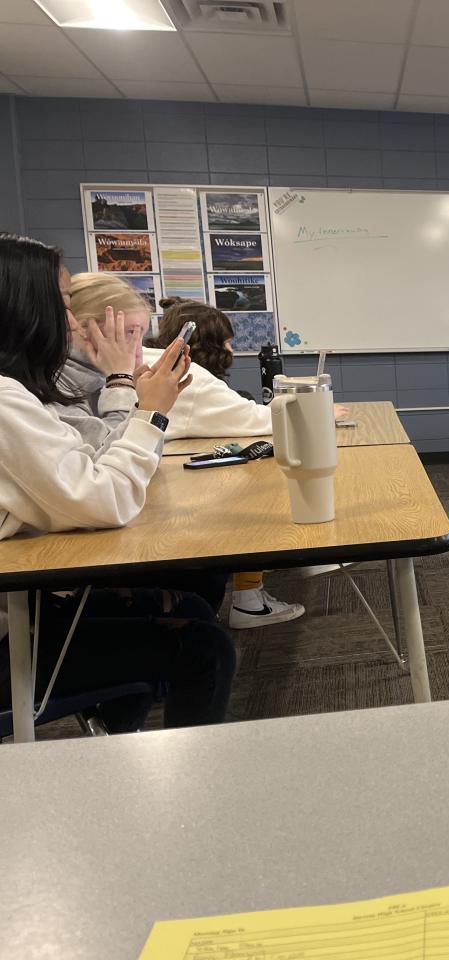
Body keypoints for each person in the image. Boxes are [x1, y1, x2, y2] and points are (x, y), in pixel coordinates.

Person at [0, 234, 235, 731]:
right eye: (64, 304)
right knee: (205, 648)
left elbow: (92, 468)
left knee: (193, 599)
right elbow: (107, 497)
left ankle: (117, 742)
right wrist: (143, 405)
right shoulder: (9, 400)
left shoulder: (26, 389)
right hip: (16, 624)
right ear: (25, 307)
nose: (68, 322)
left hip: (28, 603)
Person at [145, 297, 308, 628]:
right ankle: (249, 601)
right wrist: (317, 411)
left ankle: (251, 593)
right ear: (209, 344)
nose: (232, 350)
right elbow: (256, 419)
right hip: (163, 506)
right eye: (228, 342)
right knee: (258, 491)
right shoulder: (190, 377)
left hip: (153, 481)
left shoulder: (154, 364)